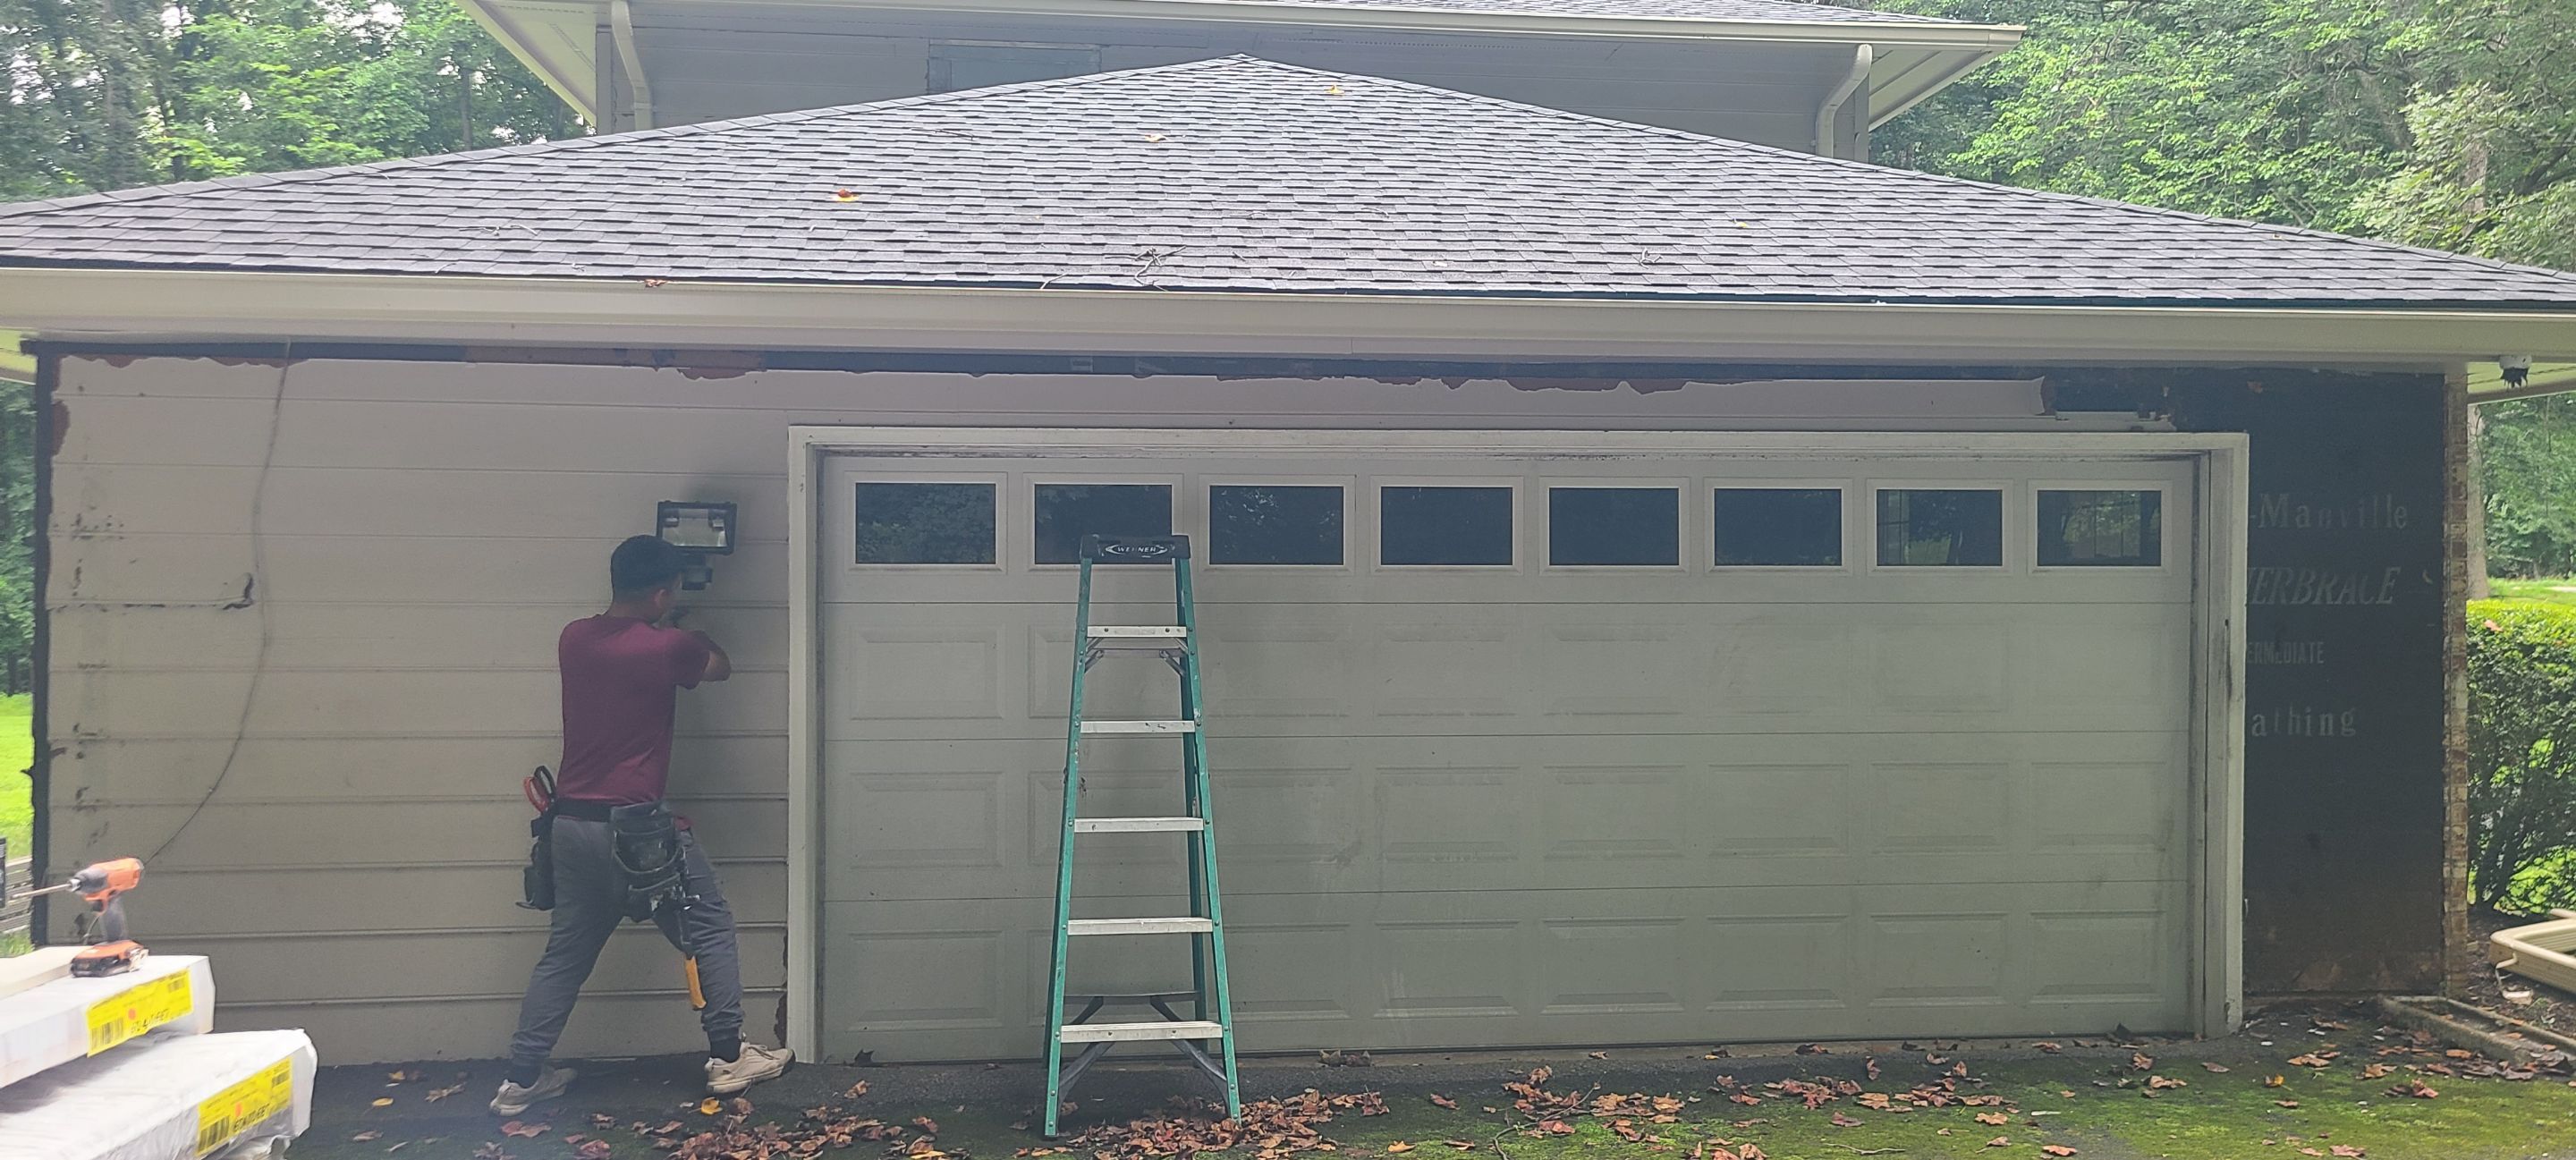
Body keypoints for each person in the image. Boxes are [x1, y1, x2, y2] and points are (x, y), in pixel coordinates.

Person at [492, 536, 792, 1115]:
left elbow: (632, 641)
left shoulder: (574, 637)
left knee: (566, 953)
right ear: (662, 593)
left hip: (571, 825)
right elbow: (719, 668)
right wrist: (690, 630)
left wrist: (664, 623)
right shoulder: (668, 648)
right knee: (708, 926)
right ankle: (730, 1058)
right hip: (637, 833)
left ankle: (521, 1078)